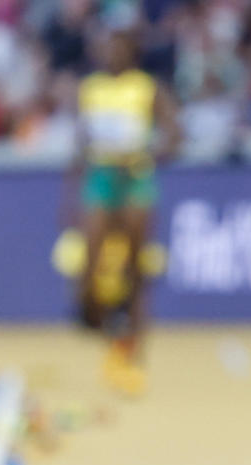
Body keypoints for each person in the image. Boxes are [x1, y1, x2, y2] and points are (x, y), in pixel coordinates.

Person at [72, 26, 179, 396]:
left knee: (135, 264)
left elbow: (173, 134)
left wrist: (147, 153)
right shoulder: (91, 90)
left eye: (118, 46)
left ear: (131, 51)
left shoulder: (146, 88)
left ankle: (133, 343)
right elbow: (81, 145)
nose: (111, 52)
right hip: (101, 176)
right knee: (92, 257)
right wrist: (70, 196)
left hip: (134, 177)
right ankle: (101, 327)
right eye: (106, 46)